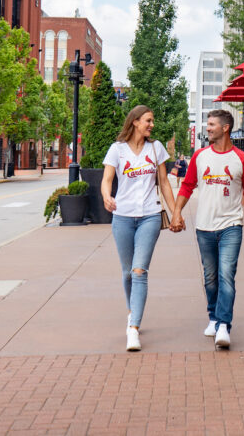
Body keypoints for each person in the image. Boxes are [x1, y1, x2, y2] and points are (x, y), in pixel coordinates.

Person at [172, 109, 244, 349]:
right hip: (204, 227)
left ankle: (223, 325)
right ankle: (213, 317)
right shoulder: (200, 156)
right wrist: (177, 211)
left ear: (225, 128)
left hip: (231, 225)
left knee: (226, 276)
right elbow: (188, 186)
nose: (208, 128)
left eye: (211, 125)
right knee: (210, 278)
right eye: (207, 124)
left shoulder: (243, 160)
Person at [101, 105, 183, 352]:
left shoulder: (156, 149)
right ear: (135, 122)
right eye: (148, 120)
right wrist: (107, 196)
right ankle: (131, 312)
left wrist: (175, 213)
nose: (152, 125)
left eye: (152, 121)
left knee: (139, 272)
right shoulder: (117, 150)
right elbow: (107, 180)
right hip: (123, 217)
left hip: (149, 216)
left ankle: (134, 328)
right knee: (127, 272)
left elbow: (164, 183)